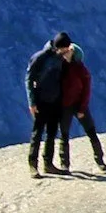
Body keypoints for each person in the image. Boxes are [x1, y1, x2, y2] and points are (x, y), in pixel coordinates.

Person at [57, 41, 106, 173]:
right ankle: (65, 165)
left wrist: (82, 109)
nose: (66, 52)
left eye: (69, 50)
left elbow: (86, 91)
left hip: (78, 105)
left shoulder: (82, 71)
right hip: (64, 106)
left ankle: (100, 161)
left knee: (91, 132)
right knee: (64, 135)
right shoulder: (60, 67)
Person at [26, 32, 71, 177]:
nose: (66, 51)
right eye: (65, 48)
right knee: (37, 133)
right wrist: (32, 102)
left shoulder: (61, 58)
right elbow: (28, 79)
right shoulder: (40, 57)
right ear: (58, 47)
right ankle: (33, 165)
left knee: (51, 133)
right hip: (41, 100)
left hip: (55, 100)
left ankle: (48, 164)